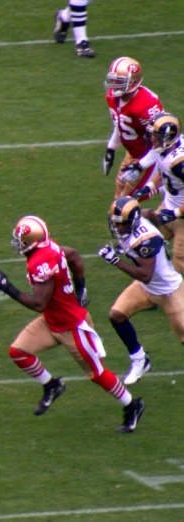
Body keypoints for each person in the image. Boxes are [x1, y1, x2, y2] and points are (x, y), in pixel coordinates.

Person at [0, 215, 145, 433]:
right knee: (18, 351)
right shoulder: (49, 246)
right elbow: (72, 255)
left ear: (33, 241)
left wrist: (7, 287)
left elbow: (38, 303)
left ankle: (132, 405)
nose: (19, 244)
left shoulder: (39, 261)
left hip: (72, 327)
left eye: (22, 240)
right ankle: (52, 385)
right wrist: (80, 287)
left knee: (97, 374)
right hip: (53, 321)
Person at [99, 196, 184, 385]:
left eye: (122, 224)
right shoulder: (140, 218)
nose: (118, 228)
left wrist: (115, 260)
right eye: (116, 223)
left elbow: (145, 274)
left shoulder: (146, 240)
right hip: (147, 287)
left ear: (133, 222)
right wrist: (163, 236)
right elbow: (149, 213)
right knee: (116, 315)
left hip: (169, 291)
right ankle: (140, 359)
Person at [102, 57, 165, 199]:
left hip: (150, 154)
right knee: (118, 192)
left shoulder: (146, 104)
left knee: (127, 202)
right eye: (112, 80)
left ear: (133, 82)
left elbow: (162, 143)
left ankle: (167, 186)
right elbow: (121, 124)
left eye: (118, 81)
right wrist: (111, 148)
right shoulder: (112, 98)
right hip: (132, 152)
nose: (113, 85)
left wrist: (141, 165)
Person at [131, 113, 184, 275]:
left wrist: (174, 213)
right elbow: (164, 171)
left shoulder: (179, 163)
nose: (152, 139)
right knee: (150, 242)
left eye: (156, 136)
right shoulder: (167, 148)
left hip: (180, 216)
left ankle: (173, 295)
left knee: (179, 262)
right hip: (168, 207)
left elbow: (170, 169)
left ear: (168, 138)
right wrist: (149, 187)